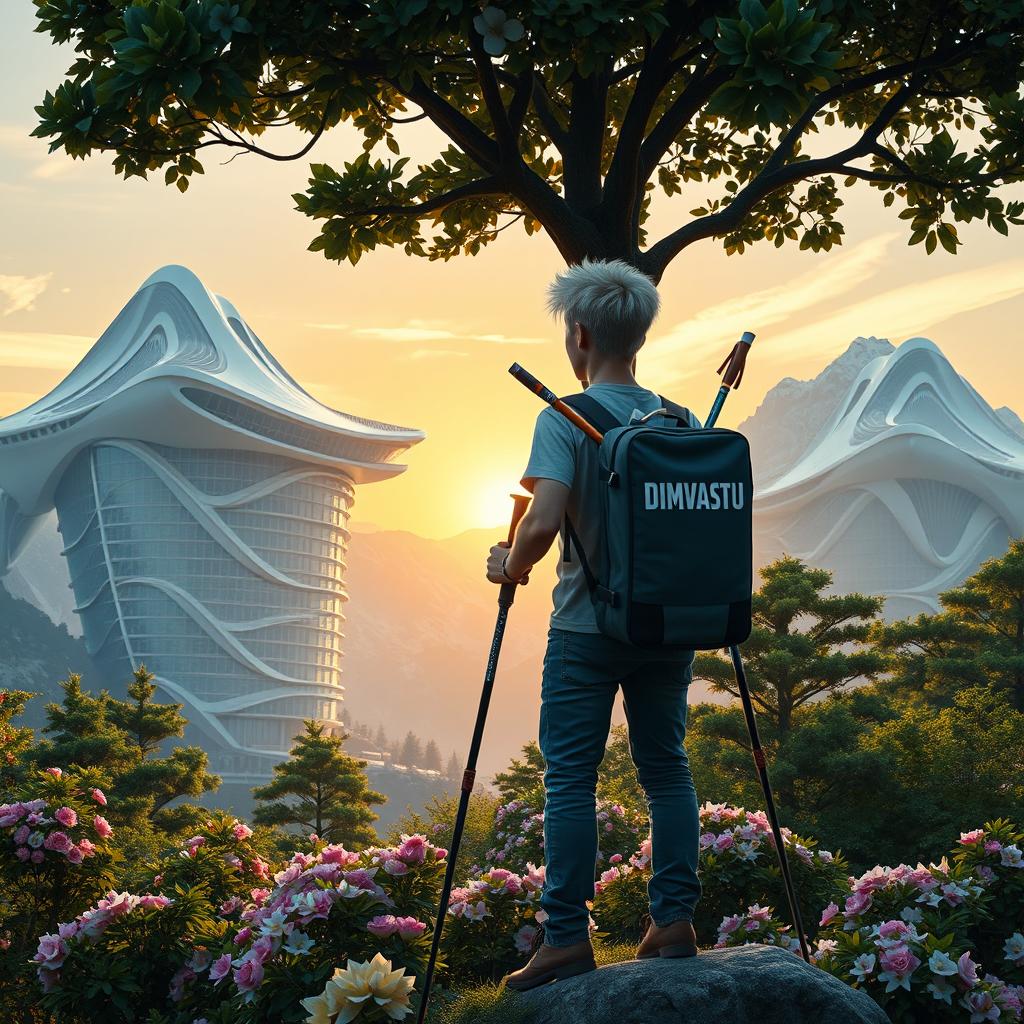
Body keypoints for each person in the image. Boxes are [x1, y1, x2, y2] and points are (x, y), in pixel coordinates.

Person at [485, 258, 703, 991]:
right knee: (666, 770)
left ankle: (566, 938)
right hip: (669, 626)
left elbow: (542, 524)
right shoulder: (679, 420)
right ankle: (673, 920)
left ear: (579, 336)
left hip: (586, 629)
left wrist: (508, 566)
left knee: (571, 780)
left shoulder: (562, 420)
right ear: (637, 335)